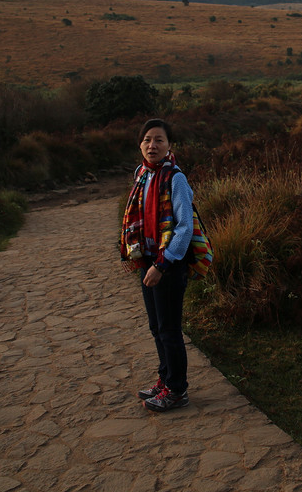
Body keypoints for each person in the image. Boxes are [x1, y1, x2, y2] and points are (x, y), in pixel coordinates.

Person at [120, 118, 193, 412]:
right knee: (156, 326)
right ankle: (165, 379)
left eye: (159, 140)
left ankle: (177, 390)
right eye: (148, 139)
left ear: (169, 145)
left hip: (168, 263)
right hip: (148, 260)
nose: (153, 145)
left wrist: (161, 265)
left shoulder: (175, 178)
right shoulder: (142, 174)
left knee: (169, 329)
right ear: (140, 144)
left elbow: (184, 228)